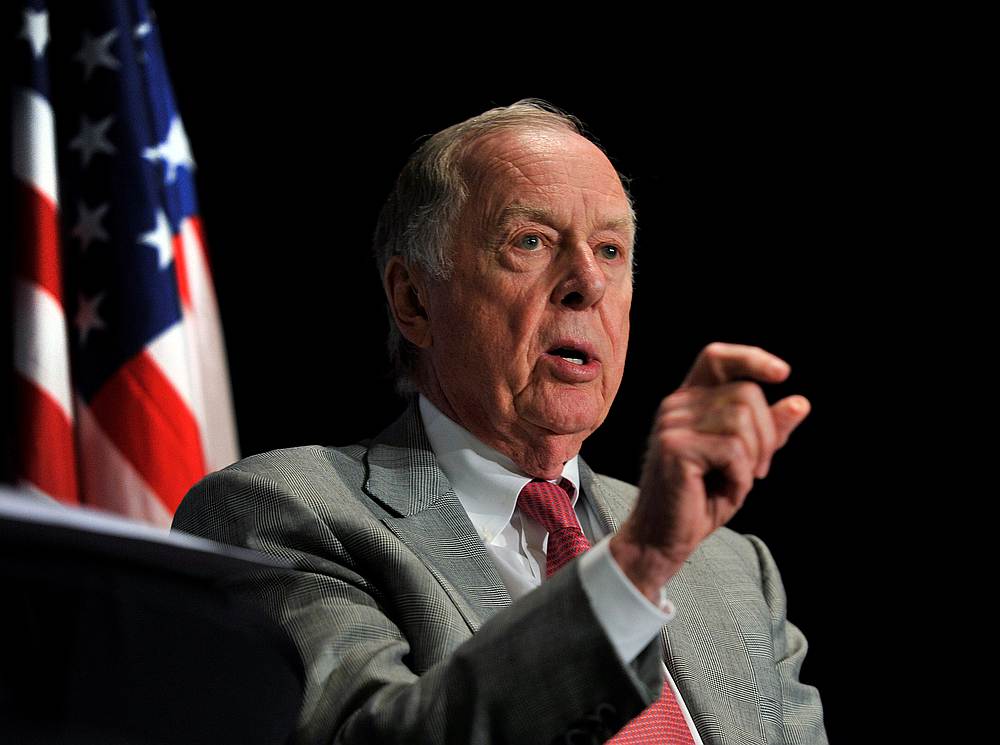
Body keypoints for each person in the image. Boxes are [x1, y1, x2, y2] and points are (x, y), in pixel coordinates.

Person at [173, 99, 828, 744]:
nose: (587, 284)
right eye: (531, 241)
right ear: (414, 298)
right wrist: (635, 565)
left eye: (609, 249)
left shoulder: (731, 567)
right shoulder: (283, 511)